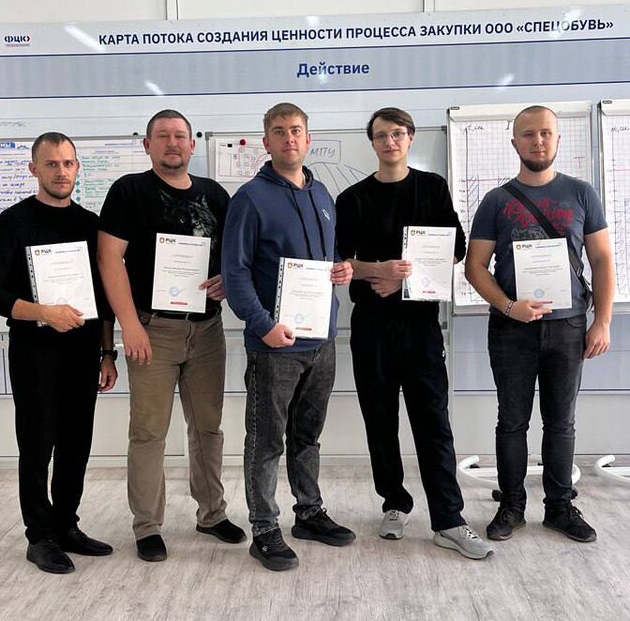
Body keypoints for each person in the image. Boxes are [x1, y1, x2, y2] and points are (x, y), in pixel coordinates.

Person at [335, 106, 491, 560]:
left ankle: (449, 520)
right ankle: (394, 503)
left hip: (420, 326)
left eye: (398, 134)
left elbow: (455, 249)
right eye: (381, 135)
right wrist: (377, 269)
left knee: (433, 423)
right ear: (372, 142)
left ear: (410, 138)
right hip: (371, 327)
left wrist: (403, 280)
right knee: (379, 421)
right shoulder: (352, 198)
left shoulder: (432, 188)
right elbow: (340, 262)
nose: (390, 142)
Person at [98, 109, 244, 562]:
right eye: (162, 136)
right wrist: (130, 325)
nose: (172, 143)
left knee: (208, 428)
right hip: (152, 330)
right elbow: (109, 260)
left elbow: (233, 257)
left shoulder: (215, 195)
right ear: (147, 145)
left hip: (207, 330)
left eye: (180, 135)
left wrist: (226, 280)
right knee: (148, 432)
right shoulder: (129, 191)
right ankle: (147, 525)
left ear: (192, 144)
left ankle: (212, 514)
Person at [465, 105, 614, 543]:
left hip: (568, 327)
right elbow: (475, 267)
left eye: (546, 133)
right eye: (528, 134)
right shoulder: (496, 201)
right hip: (511, 329)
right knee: (512, 421)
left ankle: (559, 507)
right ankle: (511, 506)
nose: (538, 141)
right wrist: (509, 306)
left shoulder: (581, 193)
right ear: (515, 143)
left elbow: (602, 260)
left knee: (561, 422)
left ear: (558, 138)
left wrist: (602, 322)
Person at [0, 132, 117, 575]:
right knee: (37, 445)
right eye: (51, 164)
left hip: (83, 352)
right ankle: (39, 537)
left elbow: (105, 298)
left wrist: (107, 353)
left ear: (77, 169)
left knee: (77, 443)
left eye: (68, 163)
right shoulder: (12, 223)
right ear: (34, 169)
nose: (61, 171)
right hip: (34, 352)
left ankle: (66, 524)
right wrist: (43, 312)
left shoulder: (91, 225)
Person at [221, 102, 355, 571]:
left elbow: (326, 260)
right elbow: (235, 272)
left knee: (307, 435)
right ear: (267, 142)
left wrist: (342, 269)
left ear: (308, 137)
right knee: (266, 440)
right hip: (274, 345)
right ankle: (264, 528)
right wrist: (263, 325)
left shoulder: (322, 194)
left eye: (296, 130)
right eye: (279, 131)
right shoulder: (250, 198)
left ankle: (309, 513)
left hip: (322, 341)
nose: (289, 138)